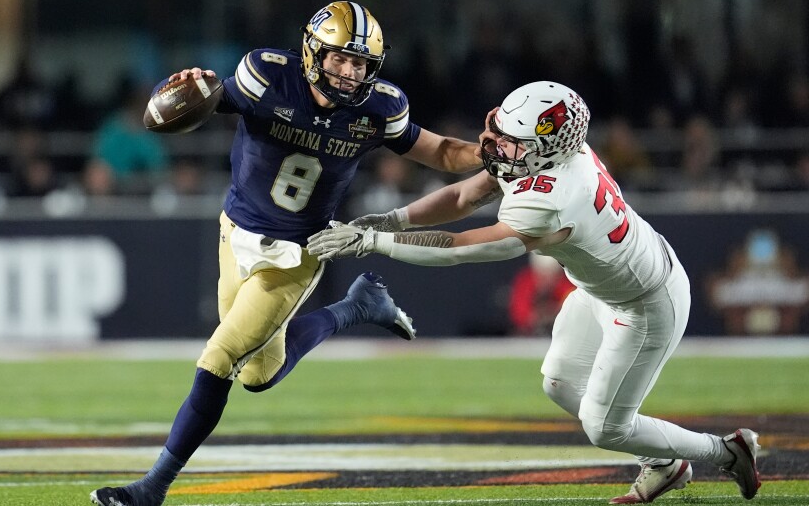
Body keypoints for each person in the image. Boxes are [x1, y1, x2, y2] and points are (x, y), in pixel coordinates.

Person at [90, 0, 481, 506]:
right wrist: (187, 84)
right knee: (258, 375)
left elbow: (440, 152)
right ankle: (357, 308)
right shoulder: (267, 75)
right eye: (340, 58)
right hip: (236, 230)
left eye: (360, 63)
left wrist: (487, 152)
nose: (349, 72)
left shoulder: (379, 107)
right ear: (314, 51)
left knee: (220, 357)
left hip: (298, 253)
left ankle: (152, 488)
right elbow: (205, 98)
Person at [308, 81, 762, 504]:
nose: (498, 145)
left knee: (604, 427)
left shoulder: (553, 195)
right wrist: (388, 221)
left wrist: (373, 242)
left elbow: (459, 247)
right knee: (560, 384)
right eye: (504, 132)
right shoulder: (550, 155)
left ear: (546, 151)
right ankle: (664, 461)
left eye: (513, 140)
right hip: (601, 286)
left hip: (644, 302)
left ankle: (726, 450)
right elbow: (464, 197)